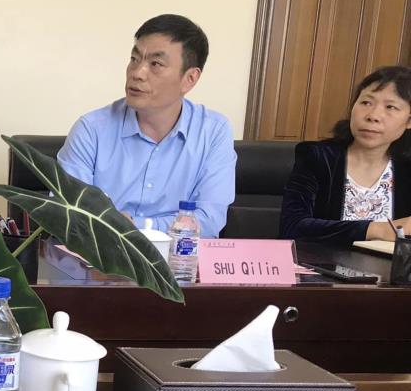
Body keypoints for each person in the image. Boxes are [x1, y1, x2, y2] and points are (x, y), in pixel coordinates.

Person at [57, 14, 236, 238]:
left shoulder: (213, 132)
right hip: (99, 258)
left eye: (155, 64)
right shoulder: (91, 130)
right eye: (134, 59)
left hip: (178, 259)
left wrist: (134, 226)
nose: (137, 73)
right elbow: (70, 216)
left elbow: (209, 221)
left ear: (189, 79)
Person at [279, 65, 411, 245]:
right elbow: (292, 227)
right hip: (319, 262)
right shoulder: (317, 157)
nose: (373, 115)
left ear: (409, 121)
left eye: (391, 107)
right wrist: (377, 229)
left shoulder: (406, 168)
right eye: (366, 102)